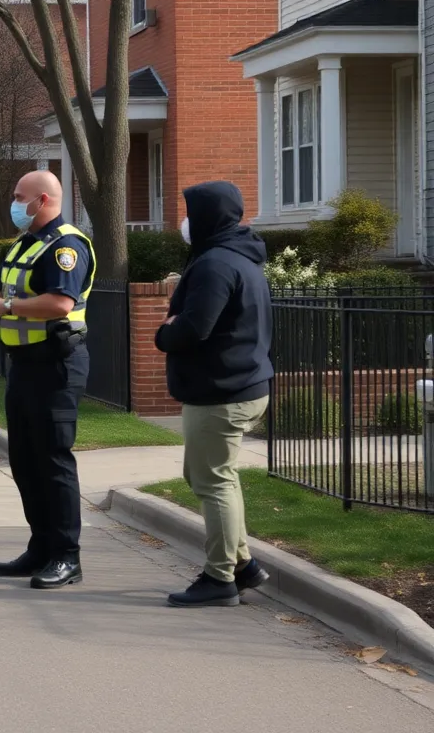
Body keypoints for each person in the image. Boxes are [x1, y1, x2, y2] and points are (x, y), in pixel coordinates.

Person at [0, 170, 95, 590]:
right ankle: (41, 547)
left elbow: (60, 302)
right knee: (25, 460)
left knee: (53, 460)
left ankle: (67, 556)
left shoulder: (67, 247)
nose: (13, 203)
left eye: (18, 196)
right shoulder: (24, 244)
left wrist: (3, 306)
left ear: (42, 200)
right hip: (24, 366)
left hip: (57, 367)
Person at [155, 181, 273, 608]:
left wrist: (165, 332)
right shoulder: (238, 258)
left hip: (222, 392)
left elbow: (192, 328)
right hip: (238, 385)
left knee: (213, 481)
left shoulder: (215, 264)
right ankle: (243, 565)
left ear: (207, 216)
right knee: (207, 476)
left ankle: (219, 577)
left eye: (190, 211)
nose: (185, 221)